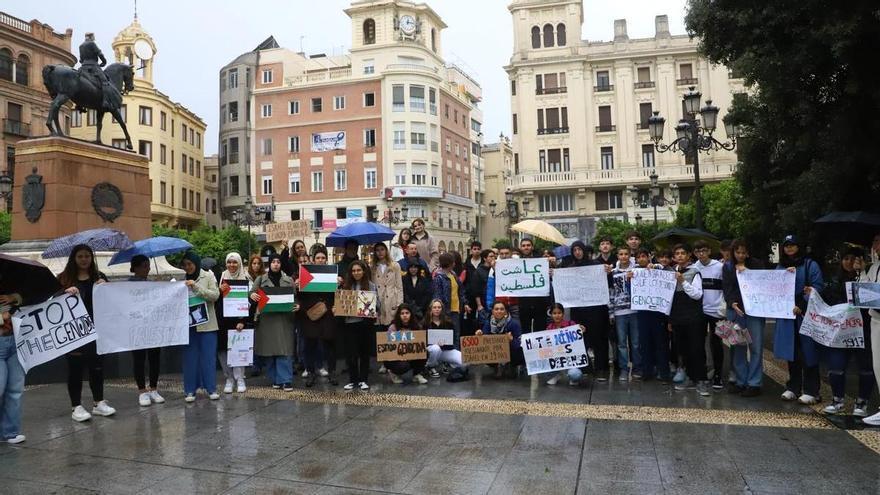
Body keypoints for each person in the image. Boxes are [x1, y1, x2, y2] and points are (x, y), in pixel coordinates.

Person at [58, 244, 116, 421]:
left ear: (92, 258)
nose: (84, 260)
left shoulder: (100, 277)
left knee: (96, 368)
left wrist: (106, 287)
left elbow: (113, 301)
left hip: (97, 331)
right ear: (74, 259)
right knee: (75, 370)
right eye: (80, 256)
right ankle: (76, 406)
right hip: (73, 333)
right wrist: (64, 292)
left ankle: (99, 403)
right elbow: (52, 303)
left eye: (87, 256)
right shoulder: (63, 279)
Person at [818, 246, 873, 414]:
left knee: (865, 367)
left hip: (862, 330)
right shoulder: (834, 280)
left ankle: (862, 402)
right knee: (836, 367)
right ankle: (837, 400)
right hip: (840, 330)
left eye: (854, 258)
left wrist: (861, 274)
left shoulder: (867, 276)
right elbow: (825, 300)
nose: (849, 262)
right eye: (846, 258)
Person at [777, 235, 824, 405]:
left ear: (799, 246)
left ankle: (812, 390)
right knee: (792, 351)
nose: (789, 248)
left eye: (793, 245)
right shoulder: (781, 266)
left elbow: (817, 287)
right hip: (788, 315)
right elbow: (773, 287)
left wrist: (802, 305)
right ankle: (793, 387)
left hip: (805, 315)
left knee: (809, 352)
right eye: (786, 245)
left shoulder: (810, 264)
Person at [563, 241, 613, 382]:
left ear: (584, 250)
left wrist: (607, 274)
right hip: (579, 311)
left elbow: (607, 284)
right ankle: (585, 367)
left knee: (598, 339)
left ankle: (600, 368)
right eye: (574, 250)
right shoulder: (570, 268)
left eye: (580, 249)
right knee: (581, 339)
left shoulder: (595, 266)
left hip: (596, 310)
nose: (577, 252)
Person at [722, 239, 766, 397]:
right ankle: (741, 381)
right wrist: (732, 302)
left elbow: (763, 284)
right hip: (736, 311)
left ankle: (754, 383)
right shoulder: (727, 267)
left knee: (756, 347)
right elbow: (727, 288)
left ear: (748, 252)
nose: (740, 255)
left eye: (743, 252)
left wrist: (746, 270)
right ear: (733, 252)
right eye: (737, 252)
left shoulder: (757, 264)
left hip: (754, 311)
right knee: (738, 346)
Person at [180, 250, 221, 402]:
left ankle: (211, 388)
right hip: (188, 326)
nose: (187, 268)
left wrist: (196, 288)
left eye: (189, 264)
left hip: (208, 324)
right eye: (184, 265)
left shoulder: (208, 275)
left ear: (196, 263)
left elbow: (215, 295)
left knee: (208, 358)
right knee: (189, 358)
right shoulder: (180, 278)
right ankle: (190, 389)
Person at [250, 254, 296, 391]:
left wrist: (297, 306)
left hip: (284, 320)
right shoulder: (260, 279)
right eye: (273, 262)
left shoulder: (288, 280)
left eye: (278, 262)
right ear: (269, 264)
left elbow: (295, 298)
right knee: (269, 351)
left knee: (285, 350)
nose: (276, 264)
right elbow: (252, 292)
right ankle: (275, 379)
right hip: (266, 320)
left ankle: (286, 380)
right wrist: (252, 295)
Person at [669, 244, 710, 397]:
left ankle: (701, 380)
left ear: (688, 256)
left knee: (697, 349)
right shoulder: (671, 273)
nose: (680, 256)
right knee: (683, 350)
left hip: (694, 317)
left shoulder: (695, 272)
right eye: (677, 253)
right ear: (673, 257)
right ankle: (689, 377)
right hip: (678, 318)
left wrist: (683, 282)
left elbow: (697, 295)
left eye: (682, 253)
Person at [297, 249, 338, 387]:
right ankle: (311, 373)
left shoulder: (332, 274)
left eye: (323, 257)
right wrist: (297, 286)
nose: (320, 260)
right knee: (310, 345)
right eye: (318, 258)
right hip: (310, 314)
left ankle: (332, 372)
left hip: (327, 314)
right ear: (313, 260)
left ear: (326, 259)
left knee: (330, 345)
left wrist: (339, 284)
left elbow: (337, 295)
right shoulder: (305, 274)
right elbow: (300, 298)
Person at [128, 255, 165, 406]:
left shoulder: (152, 284)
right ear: (135, 268)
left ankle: (154, 389)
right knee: (139, 359)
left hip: (152, 327)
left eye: (148, 265)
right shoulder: (127, 286)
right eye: (144, 266)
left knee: (154, 357)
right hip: (137, 328)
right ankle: (142, 391)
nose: (148, 268)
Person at [693, 240, 727, 389]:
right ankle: (702, 372)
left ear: (709, 251)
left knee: (717, 344)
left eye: (704, 250)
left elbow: (727, 287)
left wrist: (723, 307)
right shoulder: (694, 268)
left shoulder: (720, 267)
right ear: (694, 253)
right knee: (699, 343)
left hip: (717, 311)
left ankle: (718, 374)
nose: (701, 253)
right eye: (698, 251)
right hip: (700, 311)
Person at [633, 249, 671, 383]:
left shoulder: (657, 268)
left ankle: (664, 372)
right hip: (642, 312)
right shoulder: (635, 272)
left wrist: (654, 267)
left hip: (658, 313)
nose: (642, 259)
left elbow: (662, 267)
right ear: (636, 260)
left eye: (644, 256)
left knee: (660, 343)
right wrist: (629, 278)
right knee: (645, 343)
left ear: (649, 257)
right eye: (639, 257)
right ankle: (647, 371)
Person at [218, 252, 253, 394]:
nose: (231, 265)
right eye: (229, 262)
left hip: (238, 321)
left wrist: (243, 321)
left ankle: (239, 379)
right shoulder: (220, 277)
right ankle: (229, 378)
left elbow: (250, 302)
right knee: (223, 351)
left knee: (238, 350)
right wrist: (219, 291)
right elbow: (215, 298)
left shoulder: (246, 279)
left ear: (239, 263)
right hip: (223, 321)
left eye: (235, 262)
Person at [340, 260, 378, 391]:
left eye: (359, 270)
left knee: (364, 353)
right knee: (351, 354)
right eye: (354, 271)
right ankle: (353, 379)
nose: (356, 273)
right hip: (350, 324)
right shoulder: (345, 286)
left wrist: (374, 310)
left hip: (365, 324)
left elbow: (377, 305)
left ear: (364, 271)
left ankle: (363, 380)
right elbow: (341, 304)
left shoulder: (371, 286)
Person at [612, 246, 640, 381]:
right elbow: (611, 293)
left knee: (635, 342)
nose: (623, 256)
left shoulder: (637, 270)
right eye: (621, 254)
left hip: (635, 311)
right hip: (619, 312)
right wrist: (611, 312)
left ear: (630, 255)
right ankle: (624, 368)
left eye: (626, 254)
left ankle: (637, 367)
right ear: (617, 256)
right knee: (622, 343)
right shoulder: (613, 272)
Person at [0, 292, 25, 443]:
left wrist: (15, 297)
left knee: (15, 389)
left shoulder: (12, 274)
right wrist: (2, 317)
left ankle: (10, 432)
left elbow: (33, 296)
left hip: (16, 340)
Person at [432, 253, 469, 349]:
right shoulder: (438, 277)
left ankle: (455, 354)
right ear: (450, 263)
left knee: (456, 333)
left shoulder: (453, 274)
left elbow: (460, 290)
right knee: (447, 335)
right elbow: (437, 296)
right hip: (446, 310)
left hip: (456, 309)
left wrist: (464, 303)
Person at [544, 303, 587, 386]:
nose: (557, 316)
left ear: (563, 314)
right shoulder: (549, 328)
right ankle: (557, 375)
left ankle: (571, 377)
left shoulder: (571, 324)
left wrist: (581, 330)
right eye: (554, 313)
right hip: (557, 358)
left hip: (571, 359)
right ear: (551, 315)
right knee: (544, 371)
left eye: (559, 313)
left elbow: (579, 336)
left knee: (575, 374)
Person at [477, 301, 524, 377]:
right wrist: (480, 335)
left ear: (505, 311)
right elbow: (484, 341)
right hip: (495, 352)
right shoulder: (488, 323)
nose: (499, 311)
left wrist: (511, 339)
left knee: (519, 353)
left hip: (512, 352)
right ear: (492, 311)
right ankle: (497, 366)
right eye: (496, 309)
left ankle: (512, 365)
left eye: (502, 309)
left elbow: (521, 344)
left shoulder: (514, 323)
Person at [386, 304, 428, 384]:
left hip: (411, 356)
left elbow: (421, 344)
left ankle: (416, 374)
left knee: (425, 352)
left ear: (411, 314)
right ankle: (394, 373)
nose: (405, 315)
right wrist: (398, 356)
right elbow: (388, 348)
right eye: (402, 313)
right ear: (399, 315)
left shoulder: (417, 326)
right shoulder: (393, 328)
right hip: (396, 358)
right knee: (404, 365)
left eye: (407, 313)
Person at [424, 299, 466, 378]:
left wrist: (445, 343)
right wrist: (433, 344)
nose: (437, 309)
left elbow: (452, 341)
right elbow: (423, 341)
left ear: (442, 309)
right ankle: (430, 366)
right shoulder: (425, 322)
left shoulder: (448, 322)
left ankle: (446, 363)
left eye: (439, 307)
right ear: (431, 309)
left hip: (446, 350)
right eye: (434, 307)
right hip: (432, 350)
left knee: (465, 361)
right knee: (436, 348)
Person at [864, 233, 880, 425]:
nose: (875, 246)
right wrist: (860, 271)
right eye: (874, 241)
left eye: (877, 241)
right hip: (875, 318)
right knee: (877, 364)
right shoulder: (874, 267)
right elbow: (864, 290)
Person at [518, 238, 549, 334]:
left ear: (532, 247)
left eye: (528, 245)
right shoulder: (515, 262)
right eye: (523, 245)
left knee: (540, 330)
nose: (526, 247)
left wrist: (551, 264)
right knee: (525, 330)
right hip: (524, 303)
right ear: (520, 248)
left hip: (539, 302)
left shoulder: (541, 260)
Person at [371, 242, 403, 330]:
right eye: (377, 250)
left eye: (382, 249)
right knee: (379, 330)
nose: (380, 252)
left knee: (391, 329)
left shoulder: (395, 265)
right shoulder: (373, 267)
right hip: (378, 301)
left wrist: (399, 303)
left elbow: (399, 286)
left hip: (392, 299)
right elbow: (372, 286)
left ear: (386, 251)